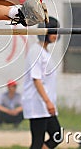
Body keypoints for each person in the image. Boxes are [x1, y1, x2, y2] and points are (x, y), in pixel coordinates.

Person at [22, 16, 62, 149]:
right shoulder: (36, 51)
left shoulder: (44, 51)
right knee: (37, 141)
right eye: (53, 31)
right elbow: (36, 79)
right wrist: (47, 101)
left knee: (57, 135)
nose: (55, 35)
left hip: (45, 104)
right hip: (37, 103)